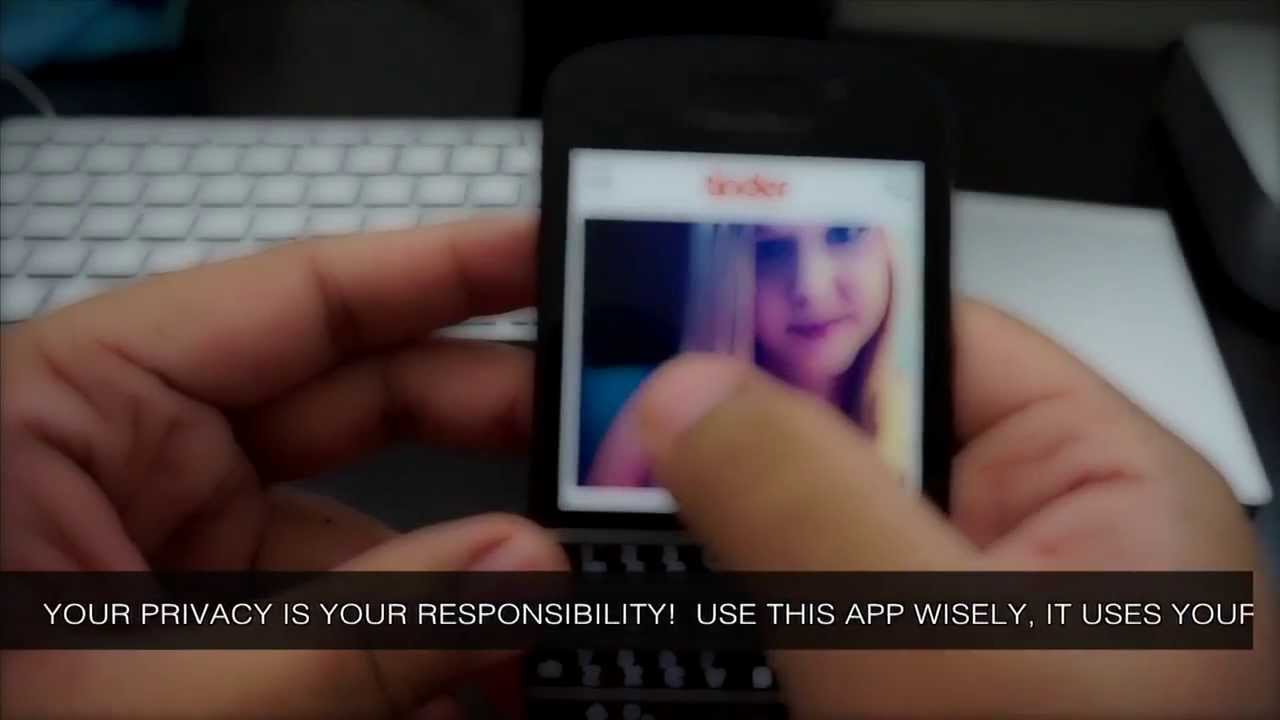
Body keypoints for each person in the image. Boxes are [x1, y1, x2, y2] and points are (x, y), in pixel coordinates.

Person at [1, 216, 1275, 718]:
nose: (818, 283)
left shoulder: (940, 430)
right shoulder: (632, 423)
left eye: (844, 237)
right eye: (773, 252)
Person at [586, 221, 910, 487]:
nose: (812, 288)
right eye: (770, 249)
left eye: (845, 233)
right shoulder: (657, 423)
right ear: (723, 277)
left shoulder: (917, 426)